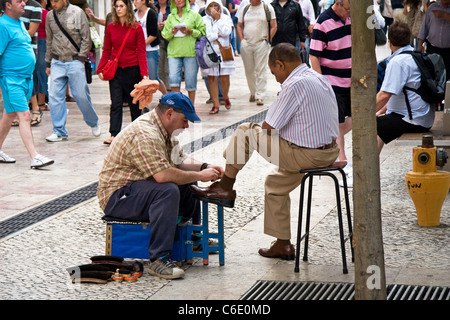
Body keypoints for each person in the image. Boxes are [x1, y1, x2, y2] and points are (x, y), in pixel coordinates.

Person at [190, 43, 339, 260]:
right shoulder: (318, 77)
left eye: (274, 72)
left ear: (281, 65)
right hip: (328, 152)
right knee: (274, 185)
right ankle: (283, 244)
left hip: (307, 155)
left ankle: (226, 186)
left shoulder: (294, 84)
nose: (276, 78)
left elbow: (270, 126)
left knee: (245, 131)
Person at [97, 91, 224, 279]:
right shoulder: (146, 133)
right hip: (117, 196)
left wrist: (205, 167)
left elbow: (178, 159)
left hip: (138, 188)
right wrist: (199, 174)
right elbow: (163, 176)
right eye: (184, 120)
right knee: (168, 190)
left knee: (188, 179)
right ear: (169, 114)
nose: (186, 126)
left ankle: (193, 238)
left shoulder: (163, 127)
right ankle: (159, 258)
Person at [0, 0, 54, 168]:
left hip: (25, 79)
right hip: (11, 79)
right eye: (19, 1)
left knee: (9, 116)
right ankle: (34, 156)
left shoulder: (19, 22)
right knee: (25, 115)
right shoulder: (2, 25)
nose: (24, 3)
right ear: (8, 5)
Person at [45, 0, 101, 142]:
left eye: (56, 1)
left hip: (74, 59)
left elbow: (85, 37)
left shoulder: (77, 12)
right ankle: (59, 131)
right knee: (54, 96)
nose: (54, 4)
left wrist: (81, 58)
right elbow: (49, 40)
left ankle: (93, 122)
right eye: (52, 1)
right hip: (57, 60)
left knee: (81, 95)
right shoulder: (50, 16)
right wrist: (48, 62)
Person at [309, 0, 352, 185]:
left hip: (352, 80)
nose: (349, 13)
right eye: (348, 9)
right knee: (338, 122)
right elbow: (314, 56)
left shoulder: (351, 18)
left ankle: (325, 141)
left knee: (351, 120)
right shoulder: (323, 22)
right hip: (332, 81)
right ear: (338, 3)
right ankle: (342, 163)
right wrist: (322, 83)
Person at [376, 21, 435, 152]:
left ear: (389, 43)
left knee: (368, 127)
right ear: (409, 39)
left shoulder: (397, 62)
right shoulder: (416, 56)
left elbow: (384, 95)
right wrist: (380, 112)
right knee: (380, 124)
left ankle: (367, 170)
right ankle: (372, 166)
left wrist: (364, 113)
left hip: (412, 120)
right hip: (424, 117)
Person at [97, 0, 149, 145]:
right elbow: (107, 49)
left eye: (121, 6)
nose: (118, 9)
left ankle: (137, 133)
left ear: (128, 8)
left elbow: (141, 52)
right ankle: (114, 134)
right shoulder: (111, 27)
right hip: (116, 71)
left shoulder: (136, 28)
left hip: (133, 70)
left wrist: (144, 74)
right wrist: (100, 68)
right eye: (116, 6)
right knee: (116, 102)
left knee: (135, 103)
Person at [161, 0, 206, 104]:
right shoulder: (170, 17)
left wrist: (191, 31)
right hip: (174, 53)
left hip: (190, 52)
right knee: (173, 79)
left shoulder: (194, 15)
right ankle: (178, 107)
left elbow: (202, 32)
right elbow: (164, 34)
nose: (179, 0)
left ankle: (190, 107)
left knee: (190, 81)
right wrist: (172, 32)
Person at [236, 0, 277, 106]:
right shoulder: (245, 9)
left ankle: (260, 95)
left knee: (261, 69)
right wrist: (242, 41)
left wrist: (267, 39)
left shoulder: (267, 8)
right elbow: (239, 25)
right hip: (247, 44)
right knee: (249, 70)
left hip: (261, 43)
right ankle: (253, 92)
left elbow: (274, 26)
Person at [201, 0, 235, 114]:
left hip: (224, 50)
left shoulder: (225, 18)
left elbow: (226, 31)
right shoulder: (204, 20)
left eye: (216, 5)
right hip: (210, 51)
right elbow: (205, 35)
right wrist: (216, 35)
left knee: (224, 77)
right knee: (211, 77)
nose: (214, 8)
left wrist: (218, 19)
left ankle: (225, 96)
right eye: (211, 6)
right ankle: (215, 104)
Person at [134, 0, 168, 97]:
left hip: (150, 50)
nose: (134, 2)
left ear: (143, 1)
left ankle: (166, 95)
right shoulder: (134, 13)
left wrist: (140, 45)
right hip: (137, 51)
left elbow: (154, 35)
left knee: (153, 77)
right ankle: (143, 103)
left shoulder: (151, 13)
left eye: (136, 0)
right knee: (140, 78)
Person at [418, 0, 450, 82]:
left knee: (446, 77)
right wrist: (420, 44)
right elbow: (424, 27)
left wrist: (445, 15)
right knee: (431, 74)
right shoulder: (432, 7)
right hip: (432, 48)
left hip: (448, 51)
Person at [155, 0, 172, 91]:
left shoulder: (172, 8)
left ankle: (170, 89)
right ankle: (165, 91)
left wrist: (167, 25)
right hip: (158, 41)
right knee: (160, 68)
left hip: (170, 41)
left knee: (169, 68)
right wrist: (156, 26)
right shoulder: (153, 8)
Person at [36, 0, 49, 112]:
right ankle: (41, 102)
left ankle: (33, 101)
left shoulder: (28, 11)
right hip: (44, 42)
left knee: (33, 72)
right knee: (42, 72)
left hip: (32, 41)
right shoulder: (47, 14)